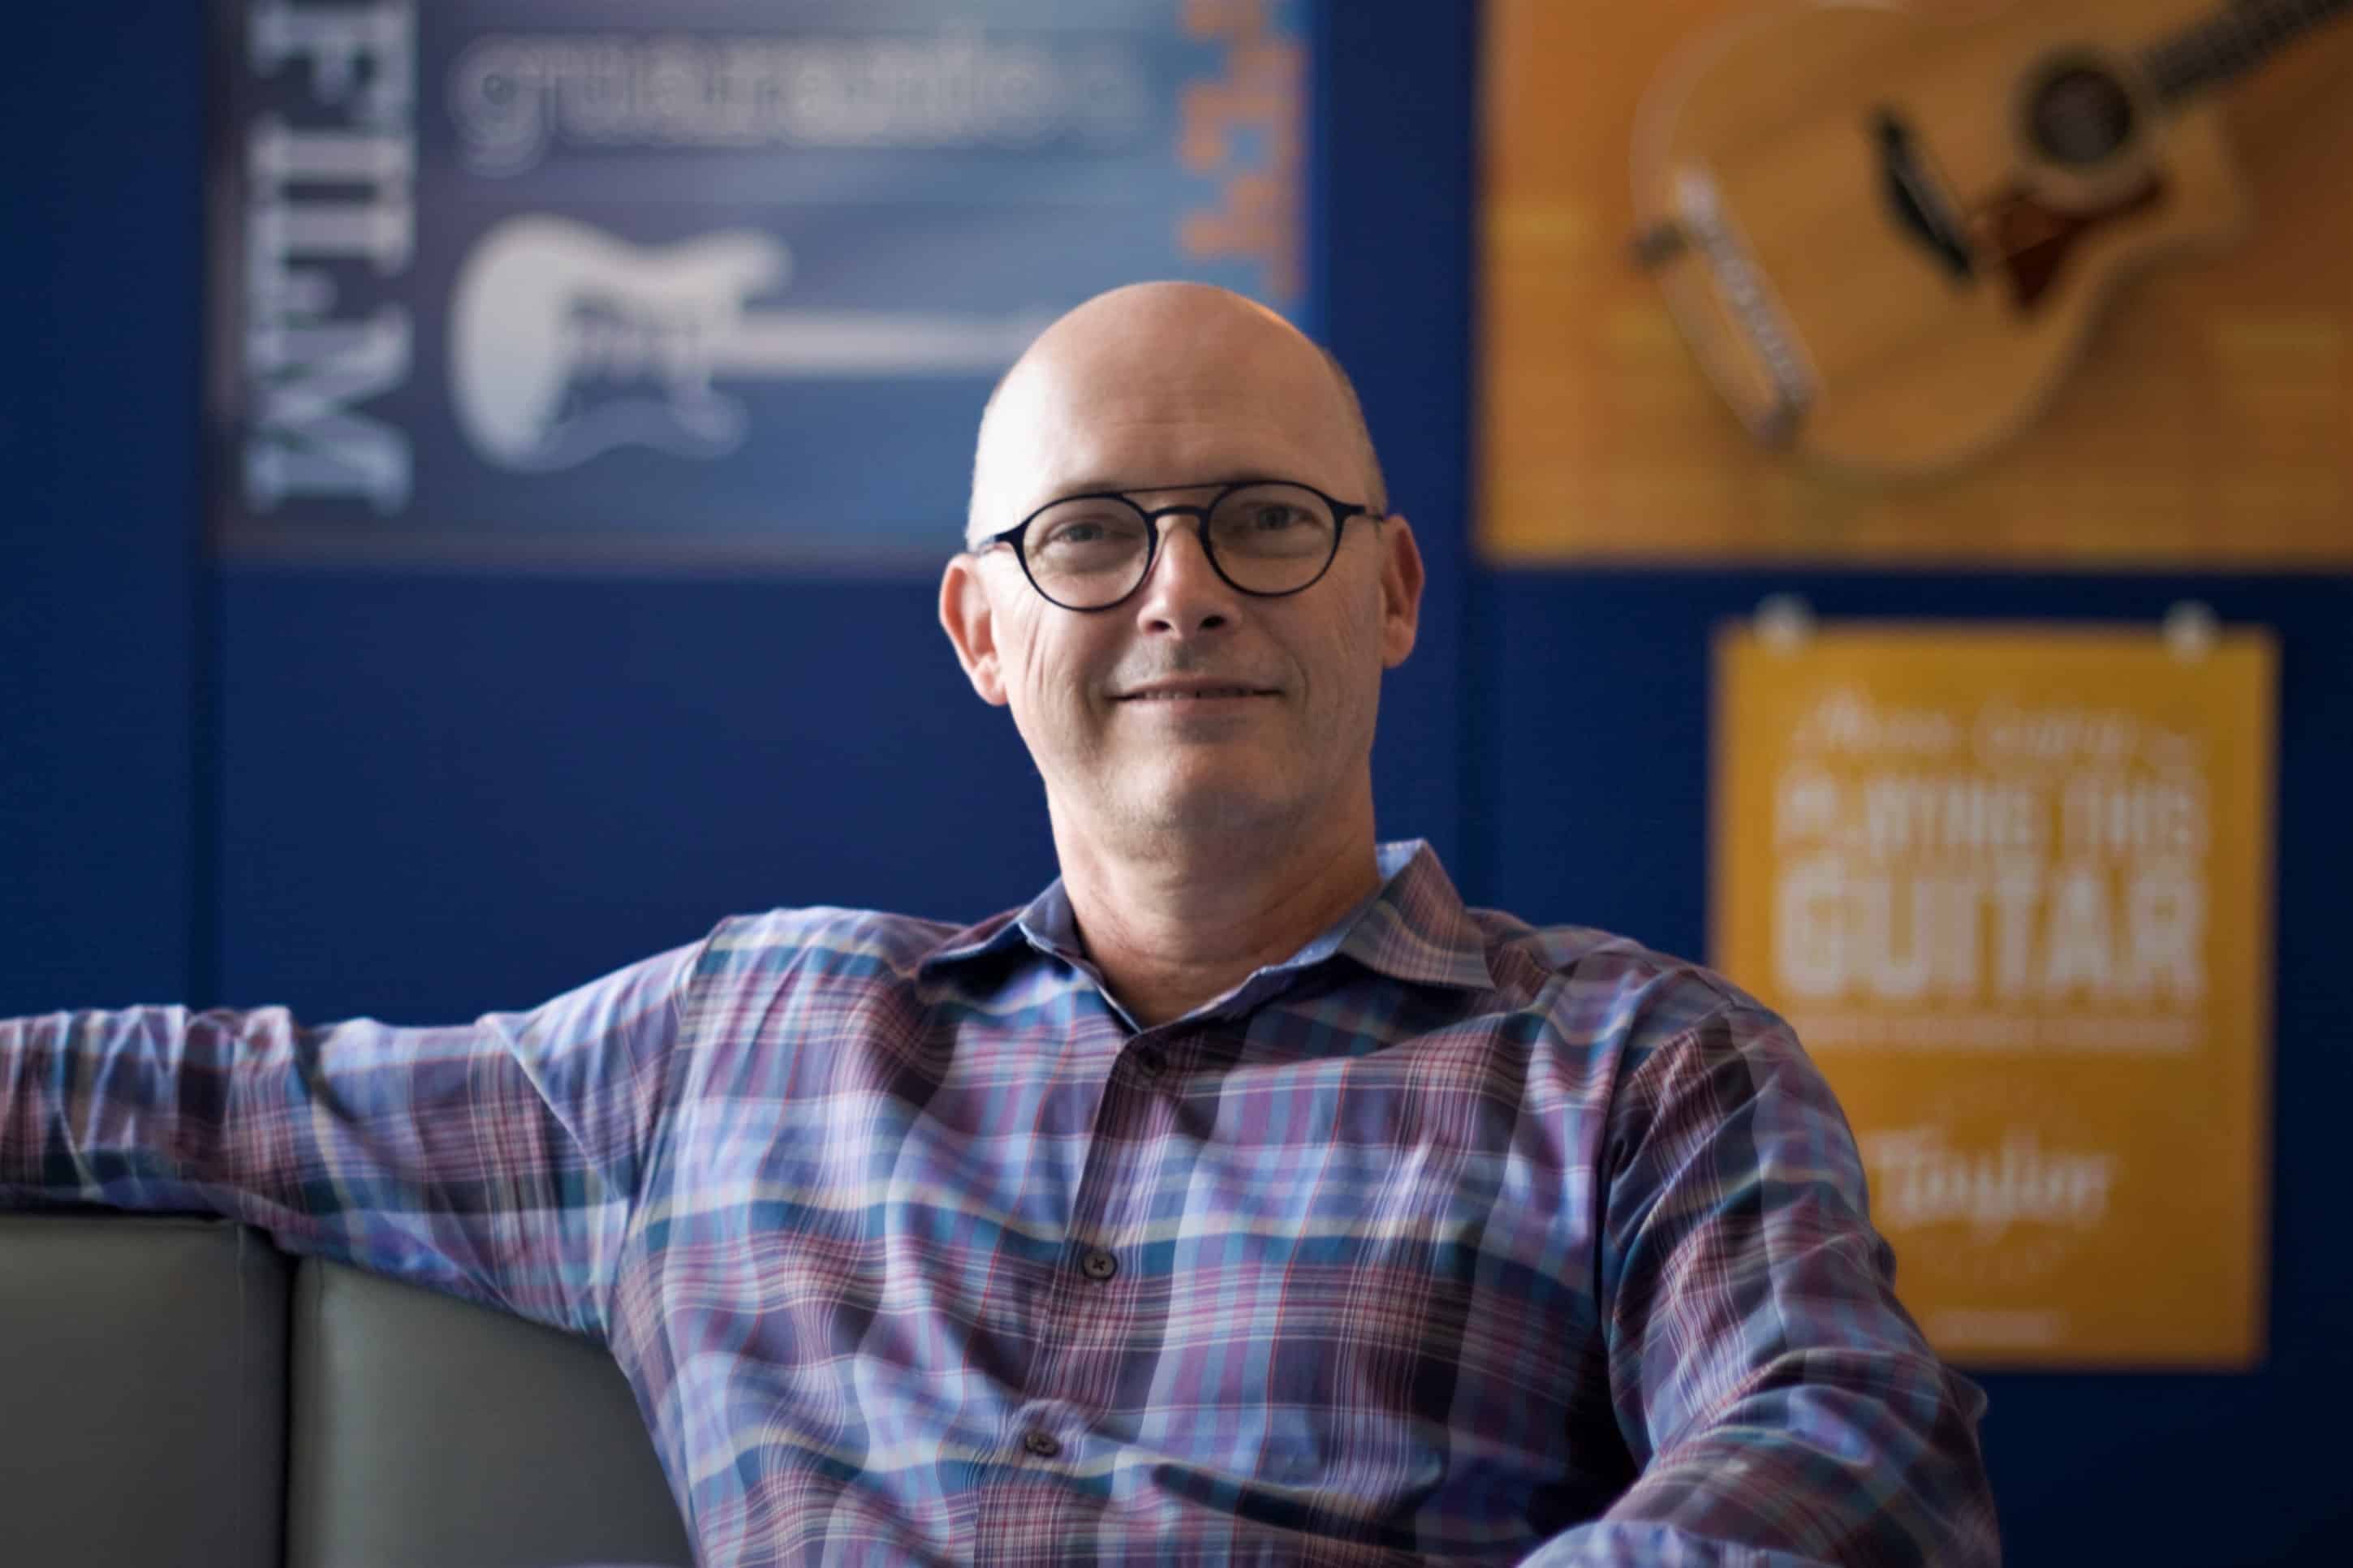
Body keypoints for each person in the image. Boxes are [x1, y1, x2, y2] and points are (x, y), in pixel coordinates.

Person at [0, 282, 1997, 1566]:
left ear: (1390, 592)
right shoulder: (735, 1045)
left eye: (1264, 521)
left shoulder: (1637, 1067)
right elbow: (221, 1102)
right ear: (981, 630)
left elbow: (1857, 1451)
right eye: (1092, 534)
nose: (1181, 592)